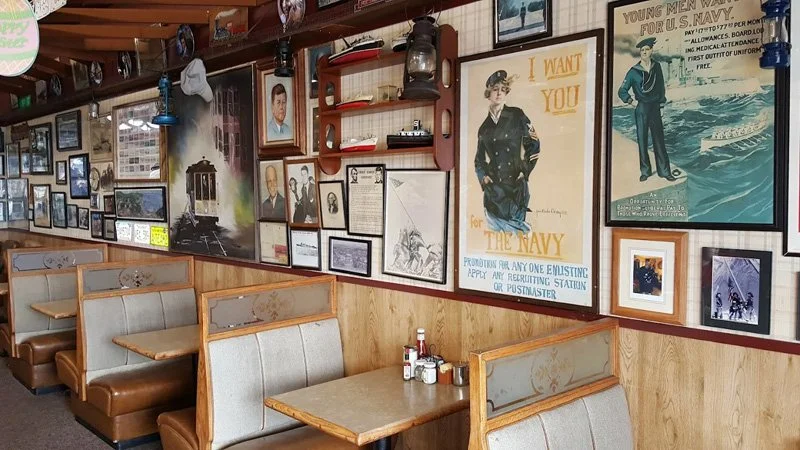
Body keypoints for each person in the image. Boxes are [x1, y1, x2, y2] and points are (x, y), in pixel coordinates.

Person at [475, 70, 540, 233]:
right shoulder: (484, 128)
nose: (499, 93)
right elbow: (479, 160)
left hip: (515, 189)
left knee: (518, 238)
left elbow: (534, 144)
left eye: (503, 90)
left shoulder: (517, 115)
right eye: (495, 89)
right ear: (488, 93)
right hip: (493, 194)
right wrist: (484, 179)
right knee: (495, 239)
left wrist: (524, 171)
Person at [617, 37, 676, 183]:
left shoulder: (657, 67)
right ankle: (645, 171)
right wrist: (632, 101)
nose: (644, 52)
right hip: (641, 108)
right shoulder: (633, 71)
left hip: (655, 107)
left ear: (651, 51)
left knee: (659, 140)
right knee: (642, 140)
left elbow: (661, 88)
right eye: (642, 50)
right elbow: (622, 91)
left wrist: (661, 105)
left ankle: (665, 171)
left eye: (646, 49)